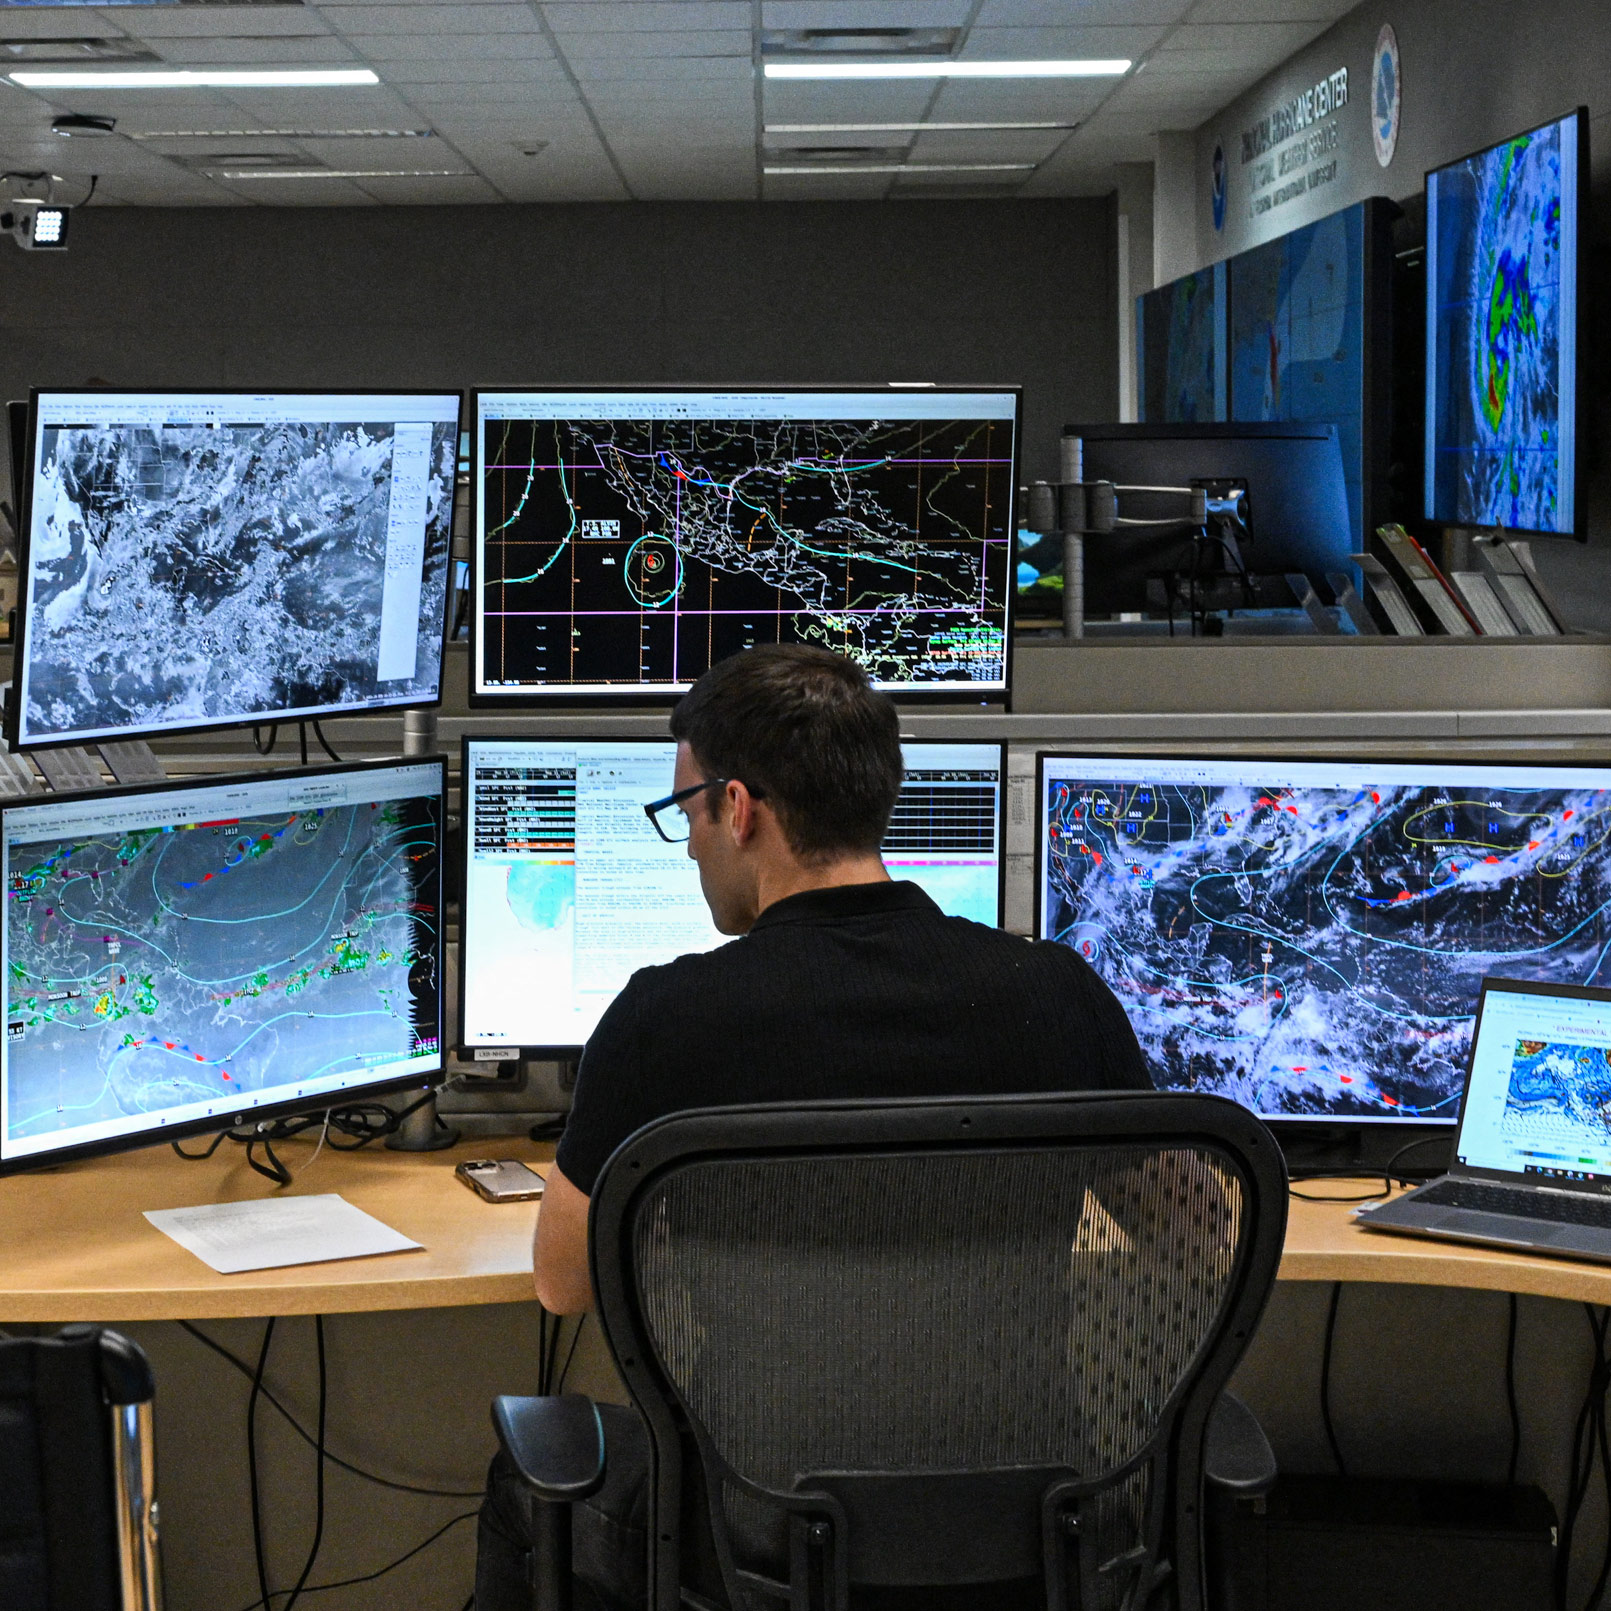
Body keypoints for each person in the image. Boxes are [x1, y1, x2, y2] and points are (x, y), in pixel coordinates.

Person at [476, 644, 1152, 1610]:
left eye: (687, 815)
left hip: (756, 1539)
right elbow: (1193, 1229)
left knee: (524, 1482)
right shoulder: (1056, 994)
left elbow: (562, 1281)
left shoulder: (666, 1018)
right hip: (1033, 1534)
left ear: (739, 808)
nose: (695, 842)